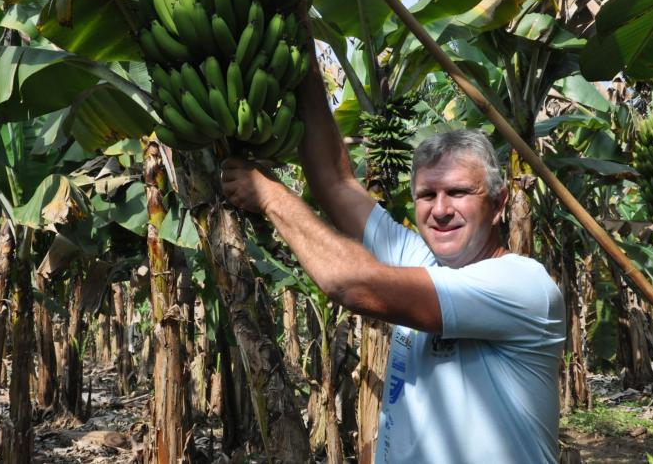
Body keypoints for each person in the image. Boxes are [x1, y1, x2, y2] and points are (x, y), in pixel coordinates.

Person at [220, 38, 566, 462]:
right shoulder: (421, 260)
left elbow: (351, 285)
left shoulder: (521, 285)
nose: (440, 210)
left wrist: (272, 197)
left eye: (458, 193)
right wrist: (303, 45)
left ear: (498, 204)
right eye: (426, 195)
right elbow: (334, 180)